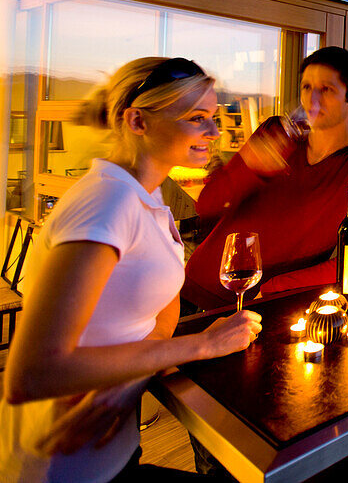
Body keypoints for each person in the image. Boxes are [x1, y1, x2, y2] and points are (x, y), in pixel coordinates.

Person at [0, 57, 262, 483]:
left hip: (112, 450)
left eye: (213, 118)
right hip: (61, 469)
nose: (214, 133)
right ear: (138, 121)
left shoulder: (149, 199)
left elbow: (160, 312)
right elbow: (33, 373)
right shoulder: (108, 203)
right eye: (197, 118)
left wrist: (119, 384)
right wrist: (202, 345)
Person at [182, 46, 348, 310]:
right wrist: (250, 168)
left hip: (269, 306)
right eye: (306, 87)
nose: (312, 100)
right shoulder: (275, 134)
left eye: (326, 89)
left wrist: (276, 286)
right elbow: (207, 206)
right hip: (198, 290)